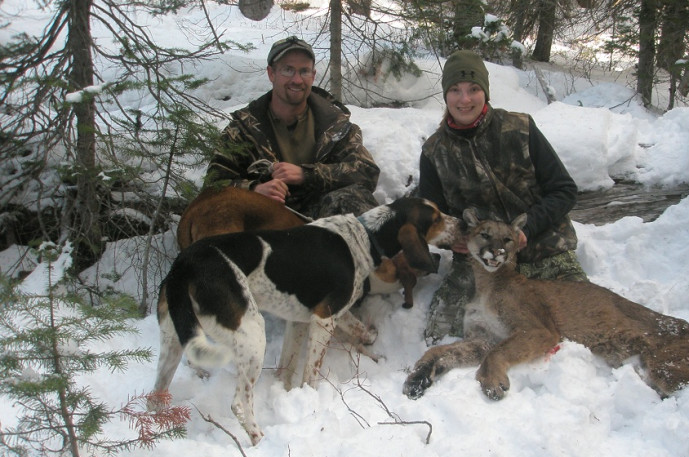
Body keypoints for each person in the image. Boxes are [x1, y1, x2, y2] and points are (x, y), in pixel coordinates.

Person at [419, 50, 588, 345]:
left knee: (580, 329)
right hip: (479, 263)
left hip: (541, 250)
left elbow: (563, 190)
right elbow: (429, 214)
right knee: (441, 335)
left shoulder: (520, 129)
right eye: (455, 90)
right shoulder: (435, 151)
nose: (465, 99)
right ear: (445, 96)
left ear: (485, 91)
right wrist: (452, 239)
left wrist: (528, 229)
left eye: (473, 90)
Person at [204, 36, 380, 218]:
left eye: (304, 71)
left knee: (354, 199)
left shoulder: (334, 123)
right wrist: (254, 189)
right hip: (265, 223)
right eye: (288, 70)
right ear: (271, 73)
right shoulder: (243, 129)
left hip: (322, 226)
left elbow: (366, 173)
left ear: (313, 76)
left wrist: (307, 175)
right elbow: (213, 185)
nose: (297, 80)